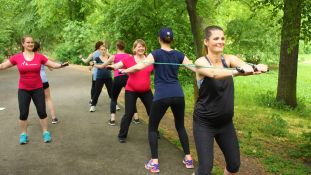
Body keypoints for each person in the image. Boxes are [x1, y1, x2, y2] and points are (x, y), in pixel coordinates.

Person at [192, 25, 268, 175]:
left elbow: (245, 67)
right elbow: (214, 73)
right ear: (206, 42)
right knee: (205, 169)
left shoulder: (229, 59)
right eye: (216, 38)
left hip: (225, 123)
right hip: (204, 123)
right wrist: (239, 71)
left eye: (222, 38)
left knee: (234, 165)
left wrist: (256, 67)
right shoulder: (200, 62)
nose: (220, 41)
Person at [120, 27, 195, 173]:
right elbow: (194, 67)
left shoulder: (155, 53)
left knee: (152, 128)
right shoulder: (179, 54)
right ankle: (189, 158)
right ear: (171, 39)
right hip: (178, 95)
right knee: (180, 126)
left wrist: (125, 70)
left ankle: (154, 163)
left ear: (159, 39)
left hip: (162, 96)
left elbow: (139, 67)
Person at [0, 35, 68, 144]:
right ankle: (23, 134)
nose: (30, 44)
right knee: (23, 113)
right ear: (23, 44)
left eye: (32, 42)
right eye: (28, 42)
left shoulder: (39, 57)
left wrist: (61, 65)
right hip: (23, 89)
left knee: (42, 112)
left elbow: (52, 65)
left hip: (38, 88)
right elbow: (3, 66)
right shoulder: (17, 57)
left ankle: (45, 132)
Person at [107, 39, 153, 143]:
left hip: (146, 90)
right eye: (138, 46)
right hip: (131, 90)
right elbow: (116, 65)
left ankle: (154, 133)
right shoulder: (129, 59)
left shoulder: (149, 59)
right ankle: (122, 135)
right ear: (134, 49)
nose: (141, 48)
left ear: (145, 48)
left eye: (143, 46)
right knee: (129, 112)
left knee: (152, 112)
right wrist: (111, 66)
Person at [95, 40, 139, 126]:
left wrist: (95, 65)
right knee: (131, 98)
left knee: (114, 98)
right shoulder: (129, 56)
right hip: (127, 78)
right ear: (124, 47)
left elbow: (102, 66)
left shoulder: (113, 57)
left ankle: (112, 120)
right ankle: (136, 118)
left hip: (118, 78)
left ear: (116, 47)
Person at [33, 42, 59, 124]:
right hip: (43, 80)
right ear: (39, 48)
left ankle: (41, 118)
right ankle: (54, 118)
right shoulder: (43, 57)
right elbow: (51, 69)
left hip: (33, 81)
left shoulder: (28, 57)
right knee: (48, 98)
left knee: (36, 100)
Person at [89, 44, 113, 112]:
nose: (103, 51)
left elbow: (112, 64)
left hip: (108, 77)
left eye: (104, 50)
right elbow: (92, 63)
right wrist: (91, 66)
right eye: (101, 50)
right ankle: (93, 105)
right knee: (97, 92)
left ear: (106, 50)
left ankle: (115, 104)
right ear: (99, 50)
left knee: (111, 92)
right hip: (99, 77)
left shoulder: (109, 58)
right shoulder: (97, 58)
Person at [80, 41, 104, 106]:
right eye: (102, 45)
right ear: (100, 46)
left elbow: (86, 61)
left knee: (94, 86)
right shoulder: (104, 53)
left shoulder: (93, 54)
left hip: (96, 73)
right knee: (99, 87)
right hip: (104, 72)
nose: (103, 46)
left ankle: (92, 100)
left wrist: (81, 58)